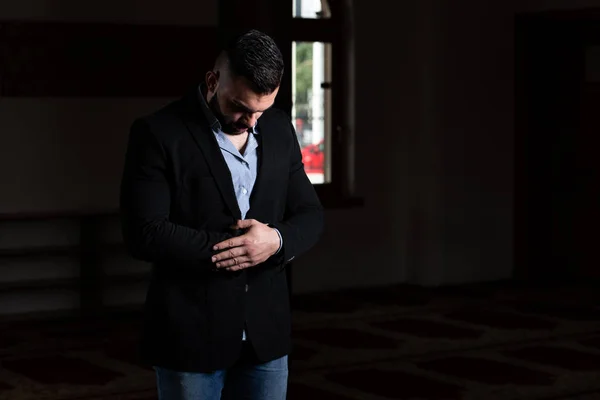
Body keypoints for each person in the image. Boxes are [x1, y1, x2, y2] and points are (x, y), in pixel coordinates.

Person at [119, 29, 323, 399]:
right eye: (240, 107)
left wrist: (274, 241)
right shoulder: (158, 133)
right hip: (190, 334)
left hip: (267, 335)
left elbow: (310, 214)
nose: (251, 121)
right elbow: (144, 232)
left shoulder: (277, 127)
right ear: (213, 82)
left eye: (260, 109)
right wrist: (239, 249)